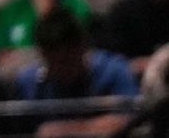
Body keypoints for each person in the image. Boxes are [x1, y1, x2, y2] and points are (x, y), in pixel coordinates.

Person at [8, 10, 138, 137]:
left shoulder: (113, 71)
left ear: (83, 47)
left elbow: (130, 119)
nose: (62, 68)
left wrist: (68, 130)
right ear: (42, 55)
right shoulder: (28, 83)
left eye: (67, 60)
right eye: (53, 61)